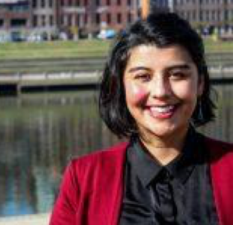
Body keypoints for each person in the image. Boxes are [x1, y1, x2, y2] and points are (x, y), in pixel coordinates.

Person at [50, 12, 233, 225]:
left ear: (200, 83)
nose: (160, 91)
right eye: (143, 77)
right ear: (121, 85)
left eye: (177, 75)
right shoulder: (83, 178)